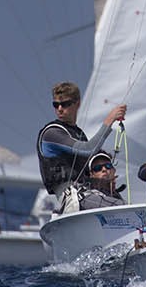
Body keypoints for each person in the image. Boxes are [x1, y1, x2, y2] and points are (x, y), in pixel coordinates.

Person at [35, 81, 126, 213]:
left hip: (86, 193)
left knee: (123, 203)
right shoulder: (51, 133)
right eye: (56, 104)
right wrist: (109, 119)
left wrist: (106, 178)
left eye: (65, 104)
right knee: (120, 207)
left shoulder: (78, 134)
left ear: (77, 103)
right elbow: (88, 149)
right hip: (72, 196)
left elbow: (92, 161)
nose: (60, 108)